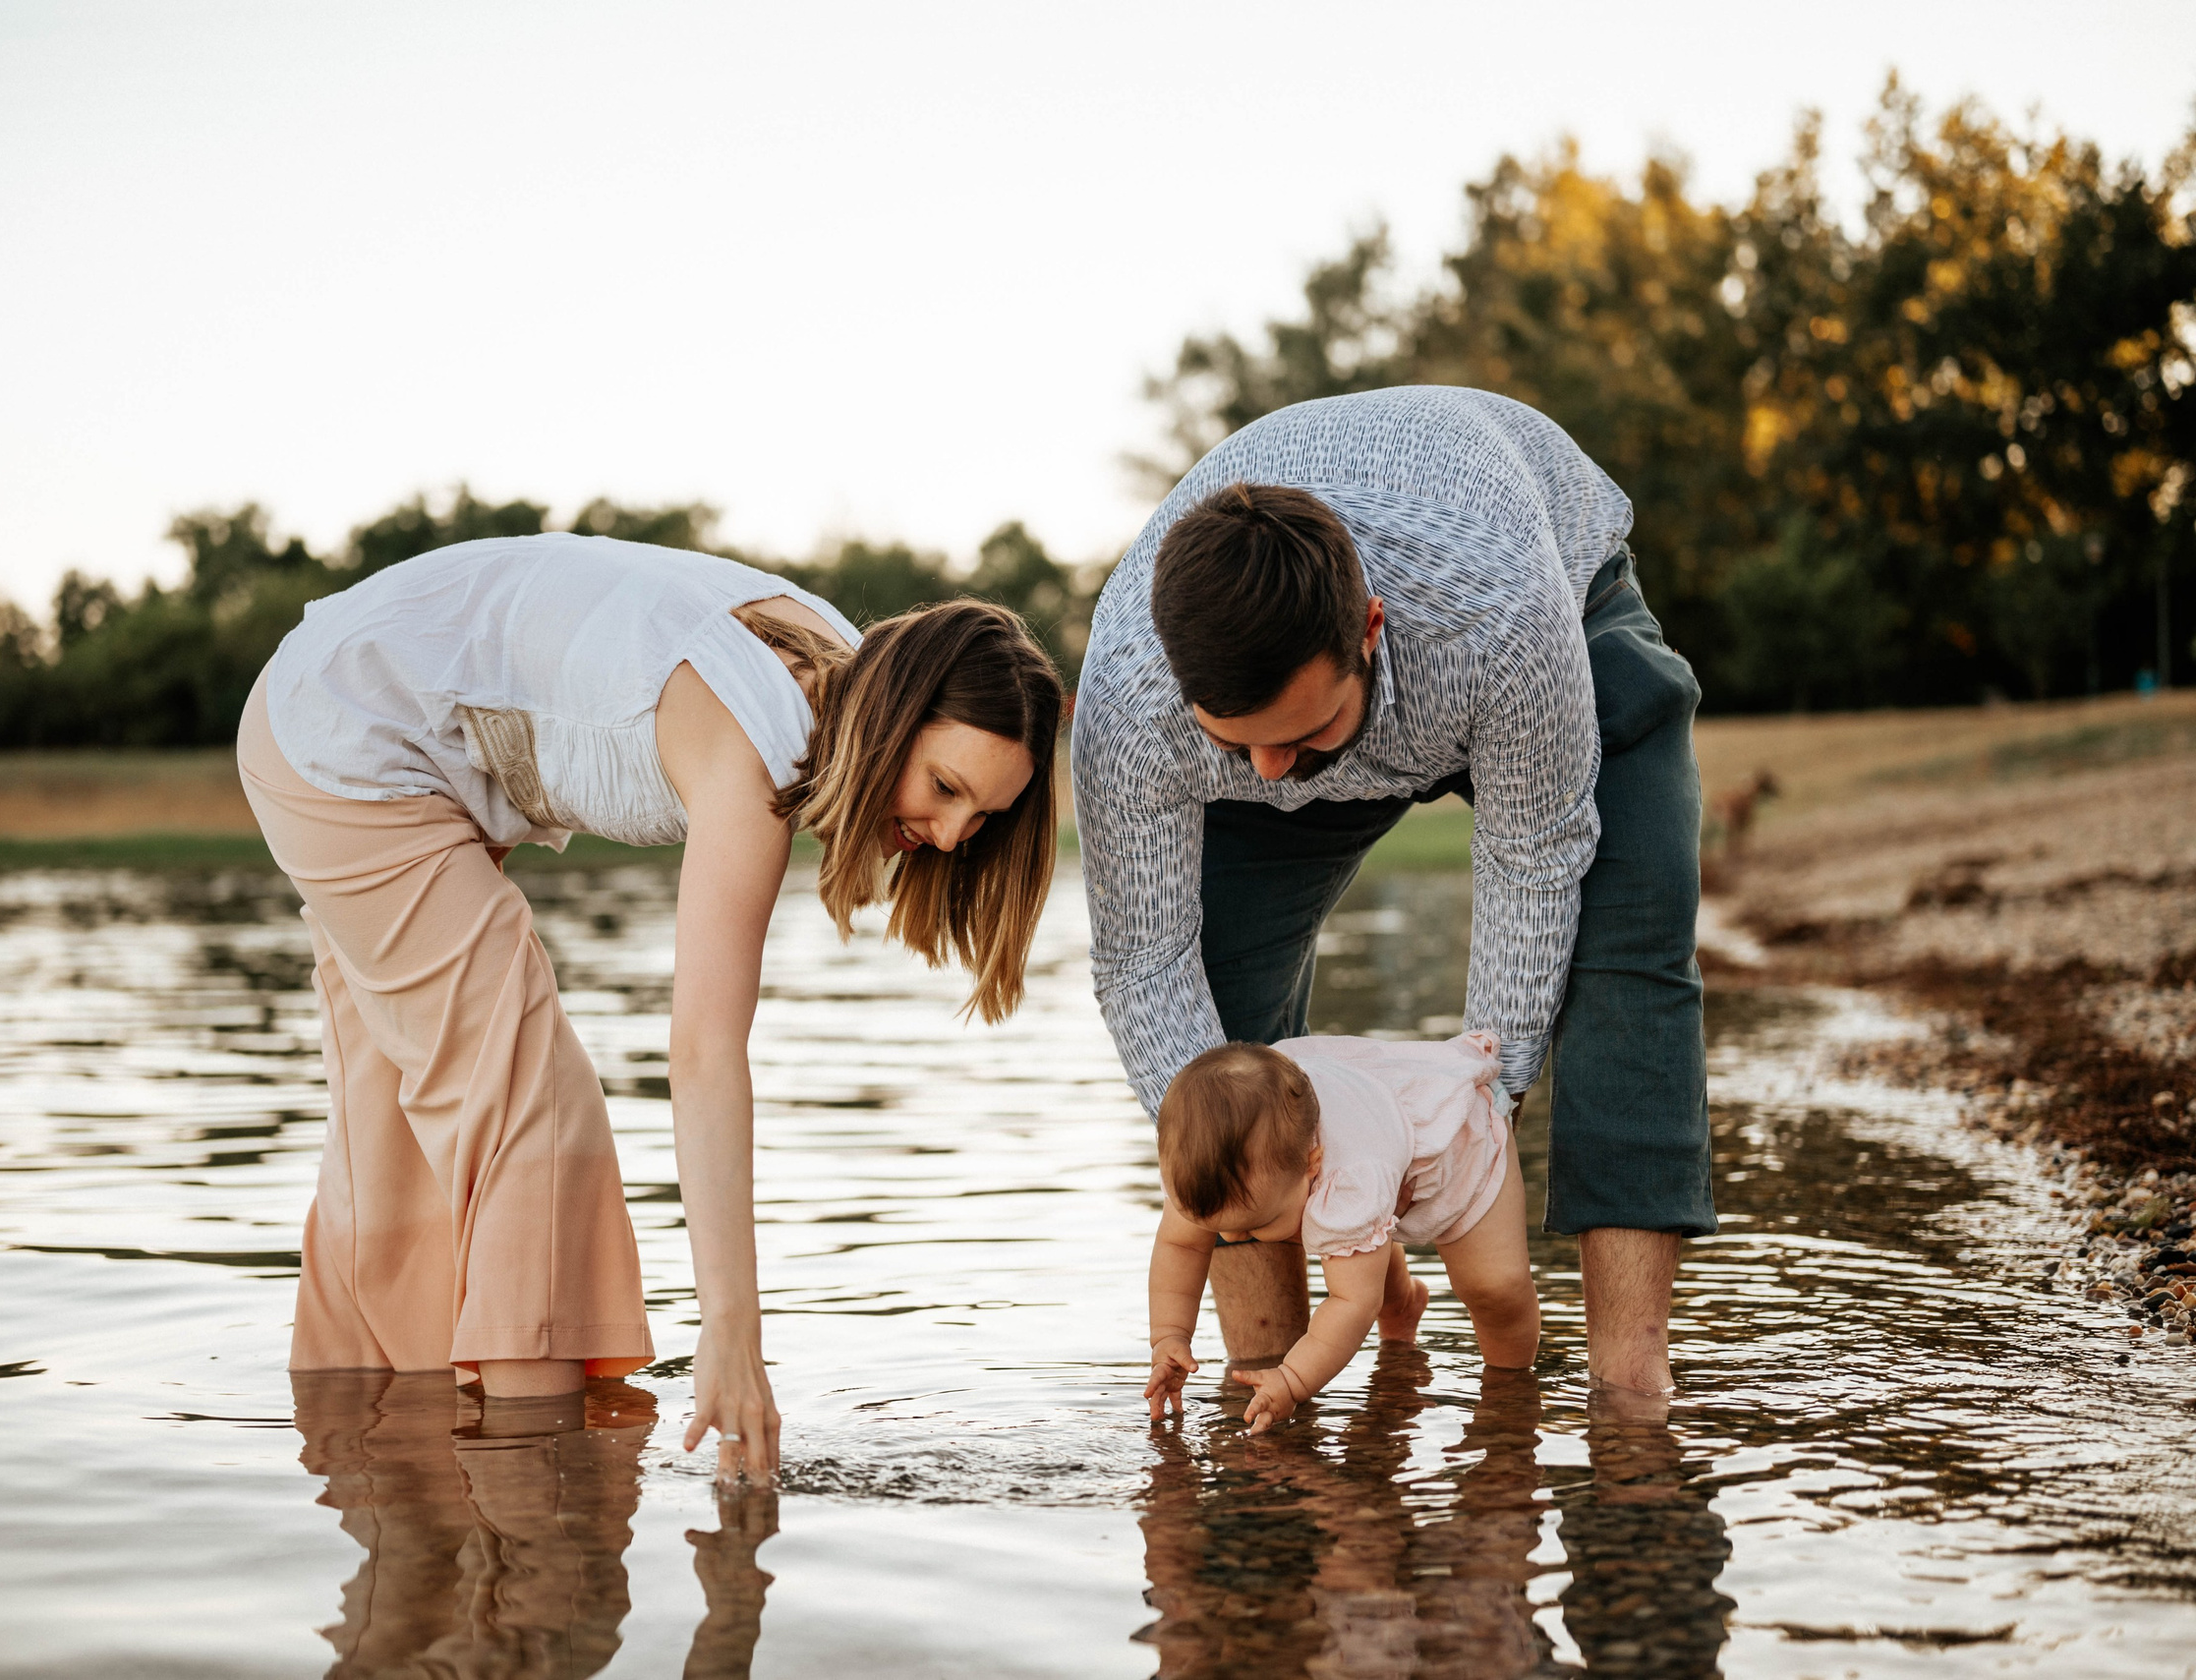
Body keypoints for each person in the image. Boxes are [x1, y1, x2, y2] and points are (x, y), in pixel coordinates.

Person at [240, 532, 1065, 1478]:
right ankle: (536, 1487)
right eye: (946, 788)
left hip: (356, 711)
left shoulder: (839, 669)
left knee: (393, 1138)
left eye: (987, 816)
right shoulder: (758, 739)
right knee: (534, 1113)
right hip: (351, 737)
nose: (956, 836)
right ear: (892, 718)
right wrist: (733, 1340)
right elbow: (707, 1053)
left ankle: (380, 1460)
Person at [1074, 385, 1712, 1398]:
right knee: (1227, 1062)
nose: (1274, 771)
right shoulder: (1130, 697)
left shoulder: (1495, 611)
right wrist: (1288, 1165)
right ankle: (1261, 1392)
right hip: (1310, 692)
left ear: (1368, 629)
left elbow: (1534, 855)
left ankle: (1630, 1391)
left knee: (1625, 954)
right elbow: (1144, 966)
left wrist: (1460, 1131)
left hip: (1557, 611)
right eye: (1237, 741)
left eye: (1301, 730)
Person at [1143, 1032, 1538, 1432]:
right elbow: (1180, 1246)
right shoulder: (1202, 1165)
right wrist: (1169, 1336)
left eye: (1254, 1225)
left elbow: (1352, 1302)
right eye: (1216, 1230)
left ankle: (1510, 1397)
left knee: (1494, 1287)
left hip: (1454, 1143)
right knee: (1347, 1241)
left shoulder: (1350, 1177)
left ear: (1312, 1163)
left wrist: (1293, 1380)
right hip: (1375, 1127)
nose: (1230, 1240)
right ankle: (1402, 1305)